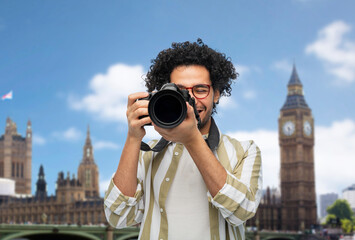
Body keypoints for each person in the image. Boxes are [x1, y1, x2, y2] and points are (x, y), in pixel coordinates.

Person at [104, 39, 262, 240]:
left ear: (217, 94)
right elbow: (118, 218)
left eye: (200, 89)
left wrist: (192, 139)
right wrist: (133, 137)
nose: (191, 101)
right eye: (181, 91)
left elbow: (242, 211)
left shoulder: (245, 151)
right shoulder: (145, 154)